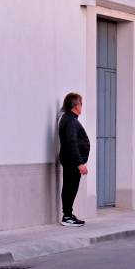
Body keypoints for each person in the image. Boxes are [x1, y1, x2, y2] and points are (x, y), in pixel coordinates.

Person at [58, 92, 90, 227]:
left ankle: (69, 214)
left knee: (70, 187)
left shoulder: (70, 119)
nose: (82, 106)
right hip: (72, 161)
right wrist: (79, 163)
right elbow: (71, 143)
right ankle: (67, 216)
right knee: (70, 188)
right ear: (75, 105)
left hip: (71, 160)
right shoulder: (71, 120)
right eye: (81, 103)